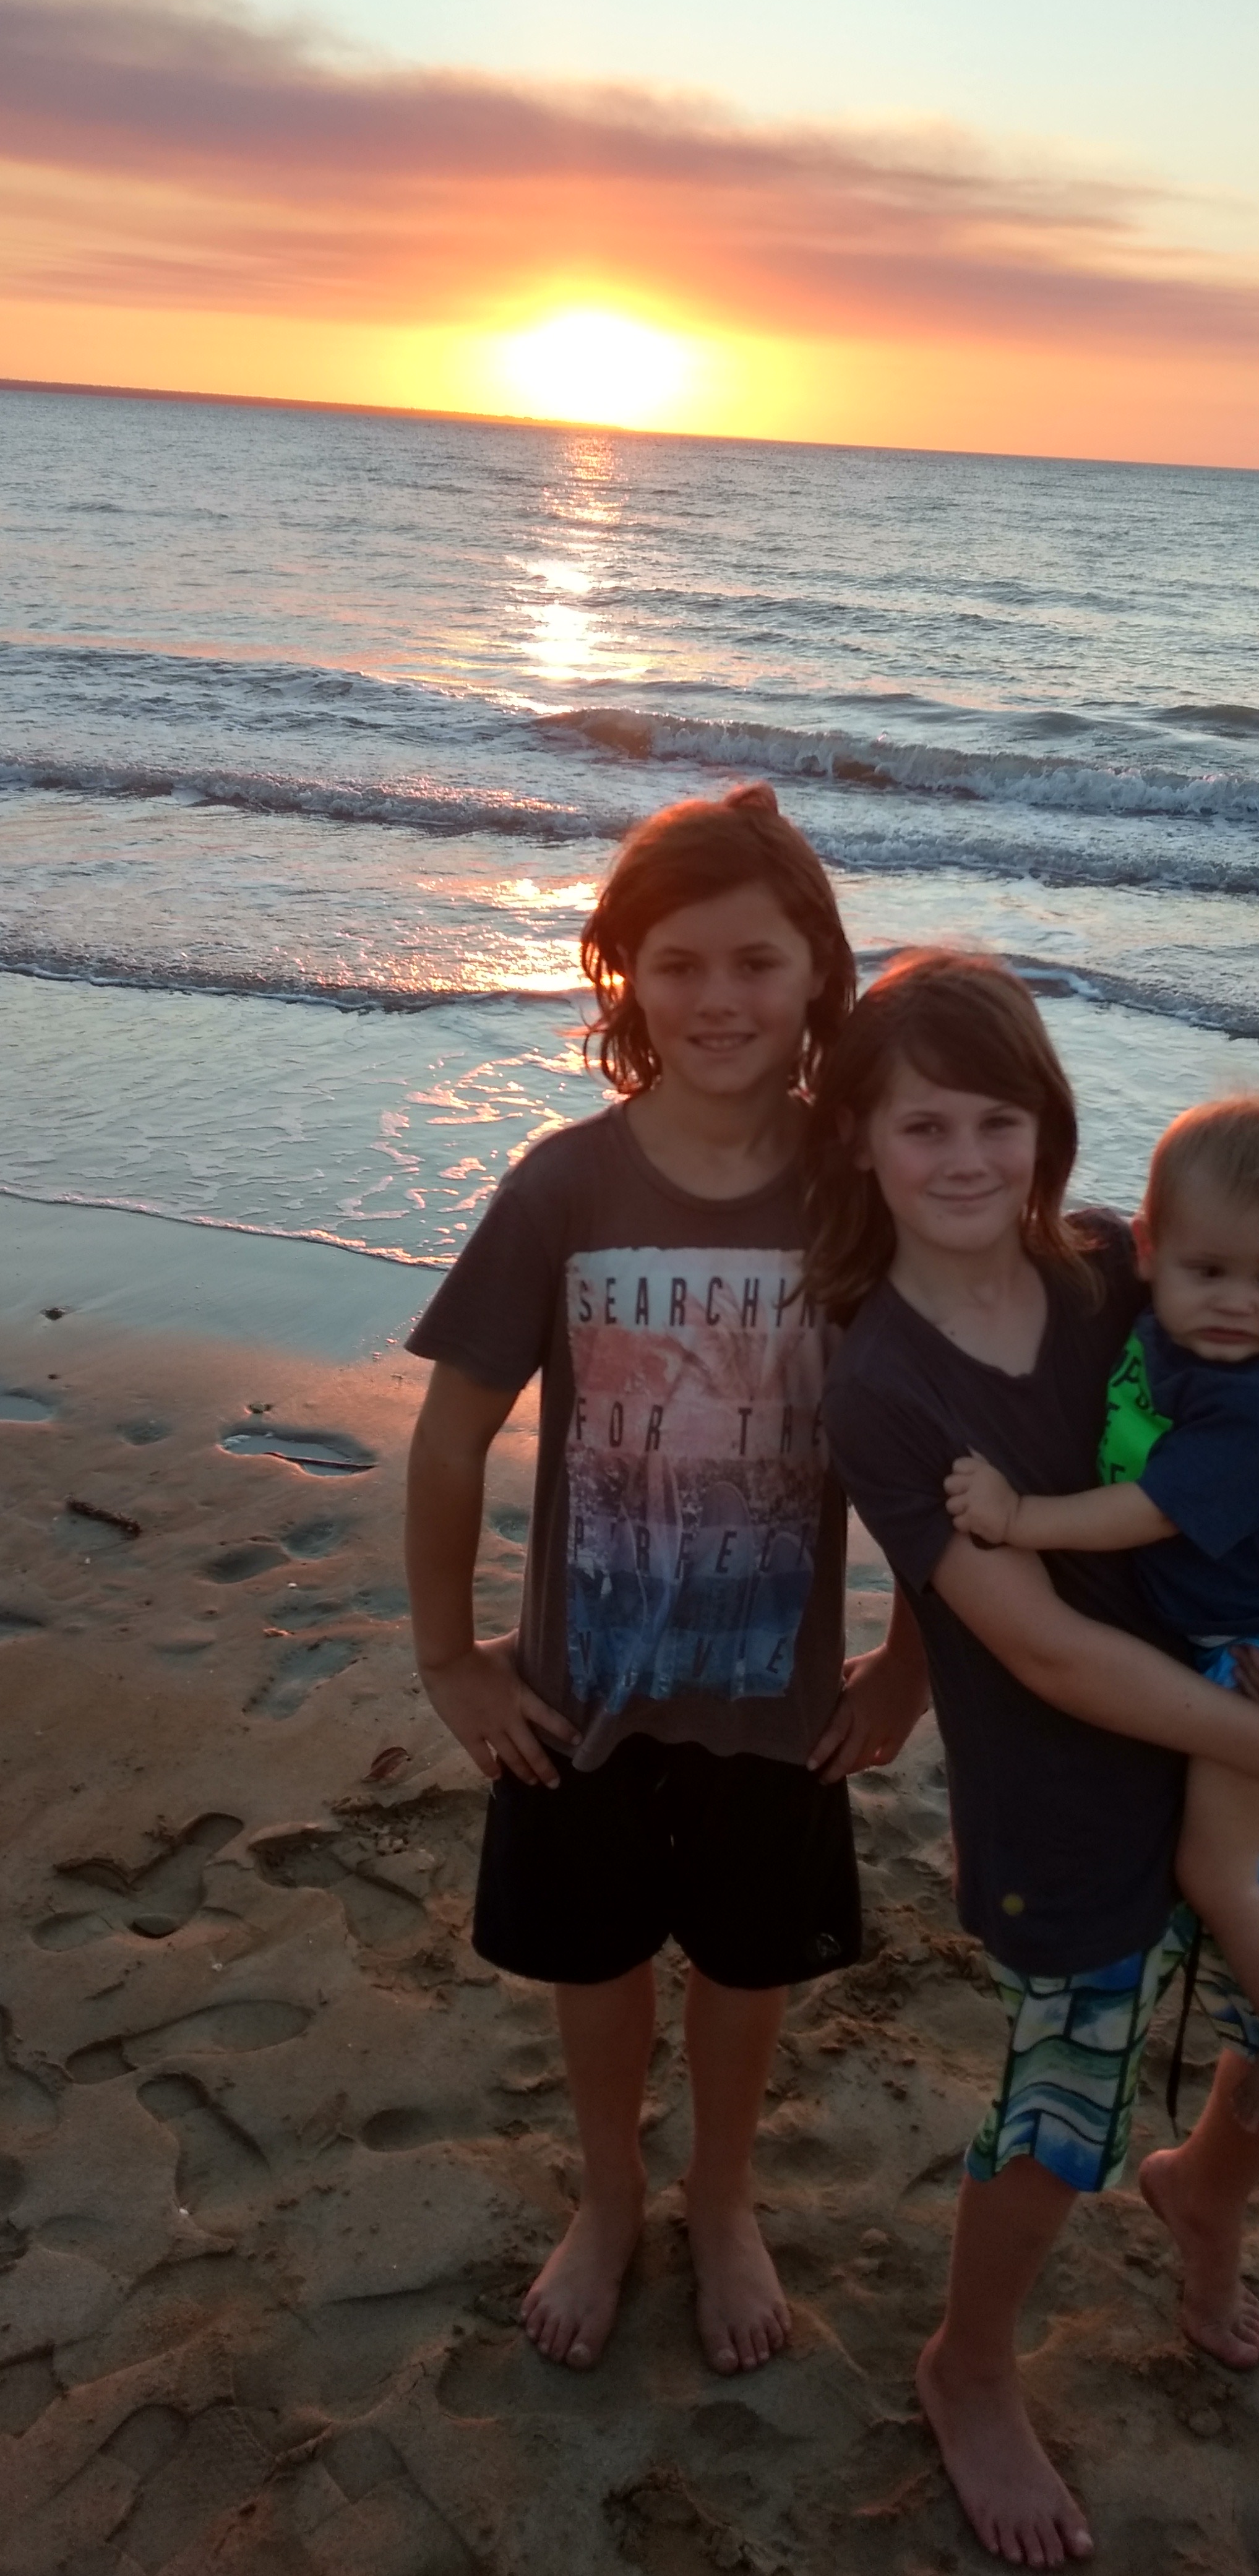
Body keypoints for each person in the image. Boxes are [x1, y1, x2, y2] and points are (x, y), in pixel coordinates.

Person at [810, 952, 1259, 2570]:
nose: (966, 1159)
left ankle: (1205, 2192)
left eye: (998, 1120)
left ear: (1051, 1128)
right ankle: (969, 2364)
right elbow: (1048, 1650)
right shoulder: (882, 1382)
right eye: (923, 1124)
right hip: (1071, 1792)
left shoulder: (1115, 1265)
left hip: (1243, 1733)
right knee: (1060, 2122)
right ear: (859, 1137)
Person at [404, 785, 928, 2380]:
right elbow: (450, 1435)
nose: (719, 999)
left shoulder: (861, 1194)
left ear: (819, 972)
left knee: (751, 1967)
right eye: (679, 963)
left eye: (757, 963)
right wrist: (450, 1659)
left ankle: (724, 2197)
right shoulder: (564, 1187)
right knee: (599, 1960)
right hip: (582, 1695)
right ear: (621, 972)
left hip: (782, 1700)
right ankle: (613, 2195)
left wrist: (908, 1666)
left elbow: (934, 1452)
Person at [946, 1091, 1259, 2141]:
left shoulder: (1254, 1400)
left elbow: (1145, 1511)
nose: (1236, 1304)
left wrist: (1019, 1518)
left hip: (1258, 1651)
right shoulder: (1193, 1338)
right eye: (1210, 1271)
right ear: (1149, 1251)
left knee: (1215, 1870)